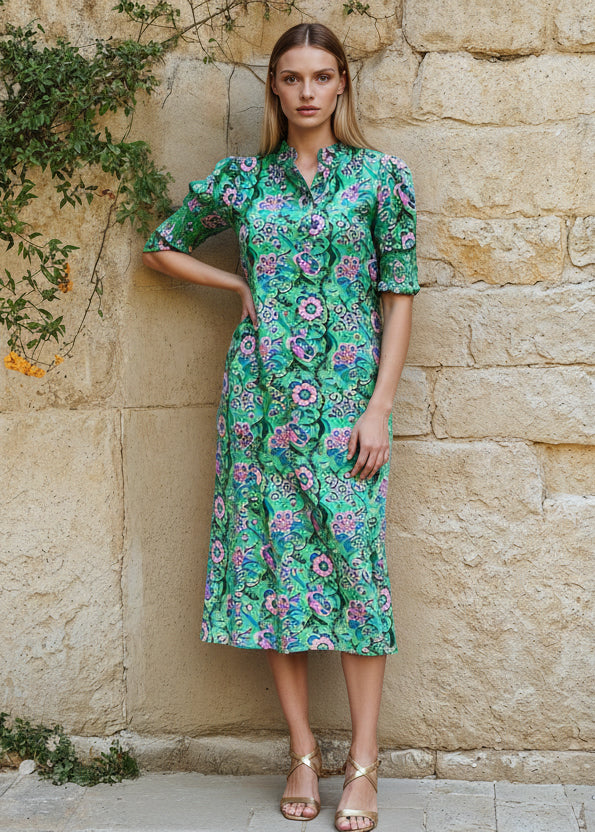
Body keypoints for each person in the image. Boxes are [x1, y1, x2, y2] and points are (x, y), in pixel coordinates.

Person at [142, 21, 420, 832]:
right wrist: (236, 287)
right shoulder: (243, 181)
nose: (306, 92)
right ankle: (302, 753)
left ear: (341, 85)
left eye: (320, 76)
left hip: (346, 410)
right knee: (276, 574)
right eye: (292, 77)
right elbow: (161, 247)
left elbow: (398, 296)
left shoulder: (380, 179)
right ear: (274, 86)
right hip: (258, 408)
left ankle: (362, 762)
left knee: (355, 572)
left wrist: (378, 407)